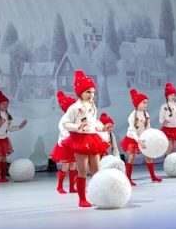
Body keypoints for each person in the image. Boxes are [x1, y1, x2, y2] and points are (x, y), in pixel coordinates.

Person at [59, 70, 108, 208]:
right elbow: (65, 123)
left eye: (93, 92)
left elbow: (94, 122)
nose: (91, 95)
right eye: (88, 92)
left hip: (92, 139)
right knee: (82, 171)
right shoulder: (74, 108)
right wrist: (77, 127)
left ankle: (97, 195)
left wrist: (101, 128)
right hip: (80, 140)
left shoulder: (92, 106)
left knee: (96, 170)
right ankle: (82, 199)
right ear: (80, 92)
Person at [0, 90, 27, 183]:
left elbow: (10, 128)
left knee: (4, 158)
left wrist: (20, 126)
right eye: (3, 104)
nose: (5, 105)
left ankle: (3, 177)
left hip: (4, 139)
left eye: (6, 104)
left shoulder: (8, 115)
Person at [120, 88, 162, 186]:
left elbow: (148, 127)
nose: (146, 105)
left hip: (142, 138)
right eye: (144, 102)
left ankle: (153, 176)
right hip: (132, 138)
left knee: (148, 156)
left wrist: (149, 137)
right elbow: (133, 131)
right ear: (137, 104)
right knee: (131, 157)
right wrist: (138, 141)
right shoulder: (132, 116)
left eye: (147, 103)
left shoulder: (146, 114)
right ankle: (128, 179)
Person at [51, 91, 78, 195]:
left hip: (73, 144)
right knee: (65, 166)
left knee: (73, 165)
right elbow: (64, 132)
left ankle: (72, 187)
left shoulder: (74, 119)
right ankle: (59, 186)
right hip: (65, 145)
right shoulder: (64, 120)